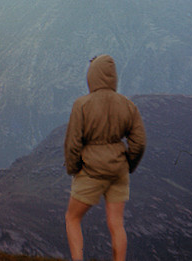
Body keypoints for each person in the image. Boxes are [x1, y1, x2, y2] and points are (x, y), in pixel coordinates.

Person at [63, 54, 146, 261]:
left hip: (90, 170)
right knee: (116, 224)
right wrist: (128, 165)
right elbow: (139, 142)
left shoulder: (81, 104)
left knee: (72, 218)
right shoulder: (127, 105)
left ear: (92, 76)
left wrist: (75, 169)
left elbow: (73, 143)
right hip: (118, 171)